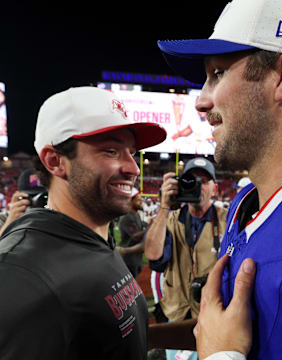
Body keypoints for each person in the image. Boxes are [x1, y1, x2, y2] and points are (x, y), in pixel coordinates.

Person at [157, 0, 282, 359]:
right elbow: (226, 331)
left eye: (217, 73)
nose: (201, 101)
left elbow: (225, 347)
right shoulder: (248, 200)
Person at [0, 86, 167, 359]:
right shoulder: (21, 278)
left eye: (132, 152)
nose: (134, 168)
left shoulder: (86, 235)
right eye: (111, 151)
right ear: (55, 162)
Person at [144, 157, 228, 360]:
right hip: (178, 315)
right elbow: (153, 256)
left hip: (213, 314)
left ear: (214, 189)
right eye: (191, 180)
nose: (198, 186)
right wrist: (164, 207)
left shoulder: (227, 219)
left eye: (204, 181)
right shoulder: (170, 219)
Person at [0, 168, 47, 236]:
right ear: (18, 196)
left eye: (43, 197)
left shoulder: (56, 217)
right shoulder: (4, 218)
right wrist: (10, 222)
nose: (37, 201)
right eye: (31, 197)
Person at [118, 187, 148, 277]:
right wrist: (150, 228)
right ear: (130, 201)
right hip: (128, 258)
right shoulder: (127, 216)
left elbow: (142, 227)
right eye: (138, 199)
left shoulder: (136, 215)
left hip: (136, 256)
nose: (141, 201)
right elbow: (135, 236)